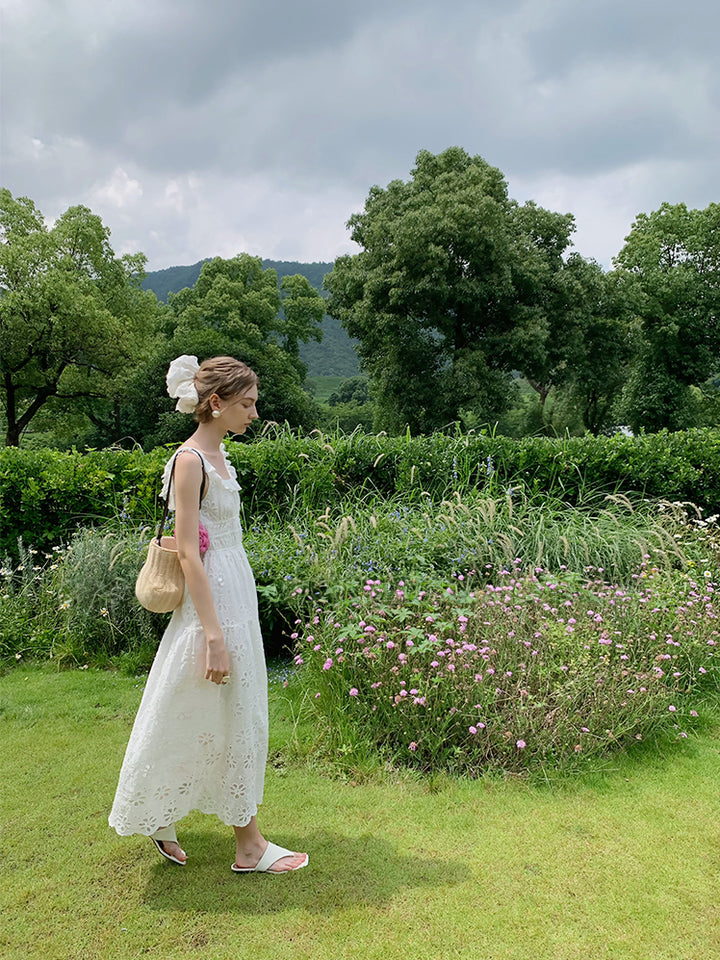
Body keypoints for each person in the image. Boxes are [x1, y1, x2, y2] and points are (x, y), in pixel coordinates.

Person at [109, 355, 308, 874]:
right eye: (246, 403)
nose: (255, 413)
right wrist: (214, 634)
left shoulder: (220, 457)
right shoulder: (190, 461)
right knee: (219, 706)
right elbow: (191, 552)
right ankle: (249, 844)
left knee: (200, 706)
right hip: (212, 605)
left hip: (234, 590)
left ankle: (163, 812)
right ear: (215, 404)